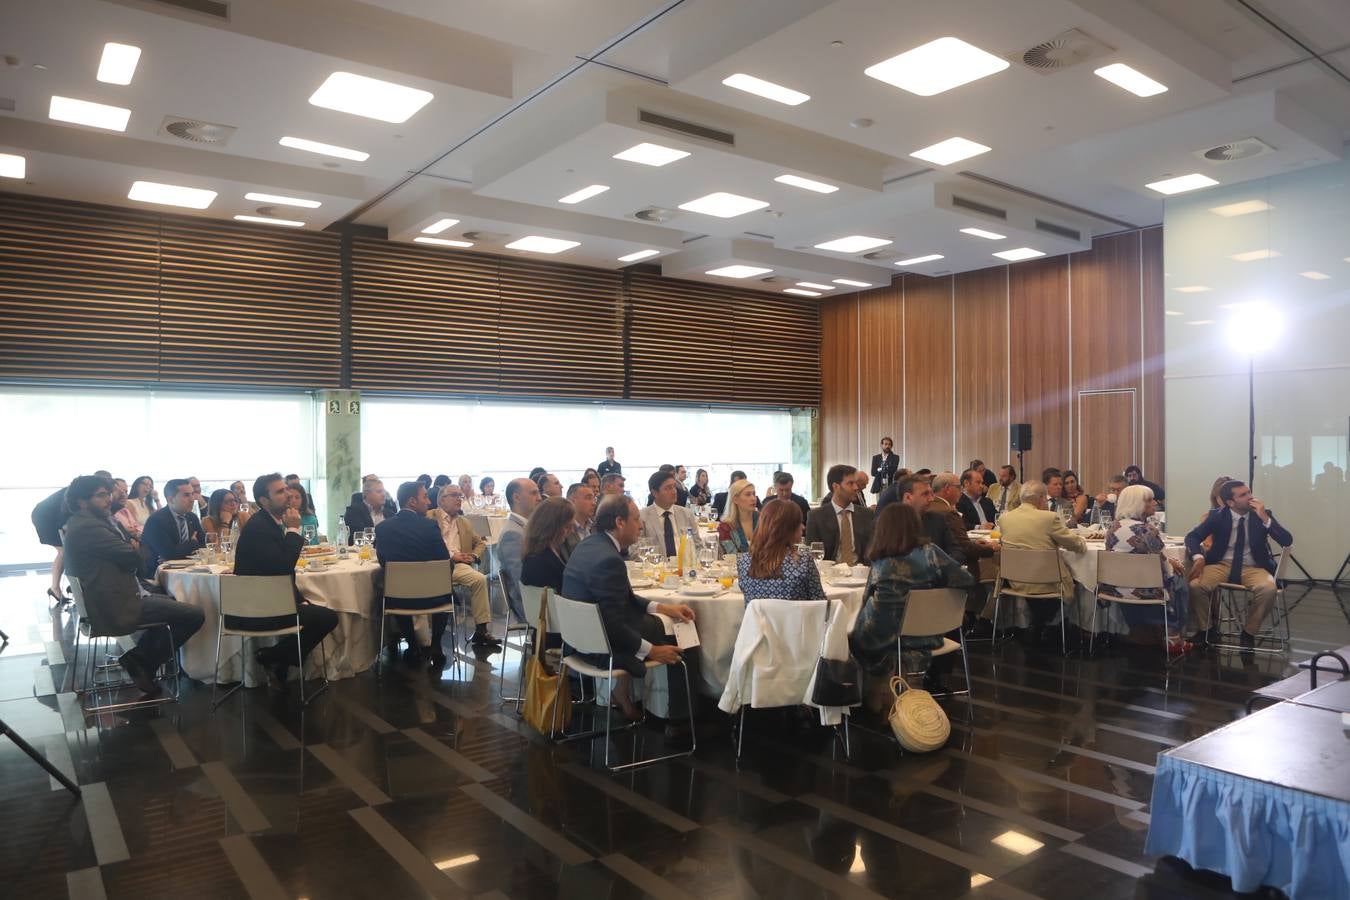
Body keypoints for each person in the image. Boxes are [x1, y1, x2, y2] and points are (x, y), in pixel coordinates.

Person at [561, 495, 699, 730]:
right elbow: (613, 624)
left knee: (668, 618)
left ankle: (624, 694)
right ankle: (683, 720)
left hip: (579, 637)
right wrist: (653, 650)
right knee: (685, 630)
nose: (641, 524)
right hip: (603, 644)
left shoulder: (589, 545)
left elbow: (621, 598)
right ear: (619, 522)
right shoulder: (608, 559)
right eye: (636, 519)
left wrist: (664, 607)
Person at [62, 475, 204, 697]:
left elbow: (135, 552)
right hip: (113, 604)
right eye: (101, 495)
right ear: (82, 501)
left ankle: (140, 660)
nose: (109, 499)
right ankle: (142, 661)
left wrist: (133, 546)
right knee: (195, 614)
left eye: (108, 494)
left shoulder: (93, 522)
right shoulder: (89, 528)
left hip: (114, 594)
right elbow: (136, 557)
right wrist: (133, 546)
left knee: (173, 602)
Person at [850, 503, 974, 697]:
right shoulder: (931, 553)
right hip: (928, 635)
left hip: (882, 639)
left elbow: (866, 601)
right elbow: (966, 580)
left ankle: (870, 694)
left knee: (849, 635)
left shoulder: (881, 563)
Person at [233, 473, 339, 688]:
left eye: (286, 489)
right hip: (259, 609)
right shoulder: (259, 528)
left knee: (318, 612)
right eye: (280, 491)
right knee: (328, 618)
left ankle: (280, 658)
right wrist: (293, 529)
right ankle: (272, 656)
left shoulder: (268, 522)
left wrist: (298, 598)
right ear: (264, 500)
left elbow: (277, 572)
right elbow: (283, 566)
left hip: (268, 599)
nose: (289, 494)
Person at [1185, 479, 1293, 649]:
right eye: (1244, 495)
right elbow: (1192, 537)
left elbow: (1287, 540)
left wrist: (1265, 518)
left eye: (1249, 492)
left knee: (1268, 589)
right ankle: (1207, 630)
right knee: (1195, 586)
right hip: (1221, 564)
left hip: (1253, 567)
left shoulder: (1262, 515)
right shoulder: (1218, 516)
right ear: (1230, 502)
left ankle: (1248, 632)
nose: (1250, 497)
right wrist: (1198, 557)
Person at [375, 481, 458, 667]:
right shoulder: (430, 526)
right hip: (434, 598)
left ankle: (412, 645)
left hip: (397, 599)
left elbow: (383, 563)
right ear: (412, 501)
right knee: (444, 588)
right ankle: (436, 644)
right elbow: (445, 563)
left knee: (394, 586)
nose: (429, 502)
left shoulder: (382, 528)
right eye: (425, 497)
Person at [1099, 485, 1190, 654]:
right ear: (1137, 504)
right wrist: (1173, 564)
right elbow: (1164, 566)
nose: (1155, 503)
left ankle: (1144, 629)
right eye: (1149, 500)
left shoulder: (1113, 528)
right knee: (1180, 581)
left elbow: (1134, 554)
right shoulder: (1148, 530)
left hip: (1116, 588)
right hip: (1147, 591)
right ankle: (1175, 634)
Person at [995, 480, 1086, 633]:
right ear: (1041, 498)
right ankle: (1047, 621)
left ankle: (1040, 621)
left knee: (1036, 583)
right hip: (1046, 581)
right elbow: (1076, 545)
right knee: (1079, 579)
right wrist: (1082, 542)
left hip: (1014, 580)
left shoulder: (1005, 518)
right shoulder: (1048, 518)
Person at [428, 484, 499, 648]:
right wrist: (452, 555)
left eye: (460, 496)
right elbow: (427, 544)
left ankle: (481, 630)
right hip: (435, 566)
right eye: (454, 495)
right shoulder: (428, 517)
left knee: (480, 579)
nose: (459, 500)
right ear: (441, 500)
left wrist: (473, 556)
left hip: (459, 566)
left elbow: (480, 543)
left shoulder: (464, 522)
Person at [737, 500, 825, 603]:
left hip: (758, 618)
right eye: (799, 523)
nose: (803, 527)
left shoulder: (744, 562)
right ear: (787, 528)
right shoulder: (803, 562)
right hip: (795, 619)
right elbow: (820, 604)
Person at [931, 472, 998, 583]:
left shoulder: (930, 507)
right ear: (947, 489)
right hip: (952, 571)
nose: (961, 491)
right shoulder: (949, 513)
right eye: (958, 487)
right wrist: (991, 548)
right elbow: (965, 548)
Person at [806, 465, 874, 564]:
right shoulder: (816, 517)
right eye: (850, 483)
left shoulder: (866, 515)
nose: (856, 487)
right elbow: (812, 556)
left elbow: (872, 550)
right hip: (829, 575)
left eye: (856, 483)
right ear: (836, 487)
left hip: (860, 575)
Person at [498, 477, 542, 620]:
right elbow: (521, 580)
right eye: (533, 493)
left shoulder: (525, 527)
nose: (540, 498)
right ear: (516, 497)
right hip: (530, 606)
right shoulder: (513, 534)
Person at [141, 478, 205, 575]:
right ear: (171, 499)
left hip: (191, 571)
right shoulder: (156, 521)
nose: (192, 499)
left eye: (192, 494)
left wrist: (177, 553)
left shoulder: (191, 517)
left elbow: (203, 545)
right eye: (186, 495)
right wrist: (193, 543)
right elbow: (170, 554)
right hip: (161, 576)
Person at [521, 497, 576, 595]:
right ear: (552, 527)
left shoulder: (555, 549)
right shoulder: (538, 560)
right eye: (567, 527)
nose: (571, 531)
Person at [641, 469, 701, 558]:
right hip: (657, 568)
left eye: (674, 487)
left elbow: (698, 546)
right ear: (654, 493)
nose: (674, 491)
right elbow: (637, 552)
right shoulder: (642, 517)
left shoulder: (686, 514)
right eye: (668, 488)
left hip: (685, 566)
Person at [718, 478, 760, 554]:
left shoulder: (764, 520)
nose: (753, 498)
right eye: (748, 495)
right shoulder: (726, 527)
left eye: (754, 494)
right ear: (735, 499)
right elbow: (733, 557)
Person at [564, 482, 597, 555]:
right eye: (588, 498)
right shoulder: (564, 529)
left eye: (594, 498)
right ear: (572, 501)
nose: (594, 503)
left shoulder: (597, 526)